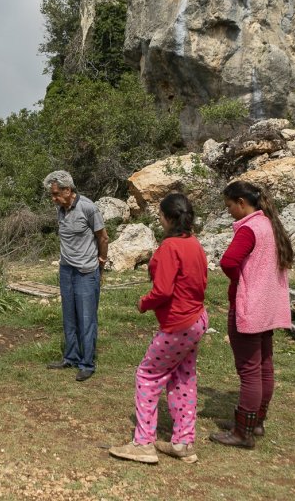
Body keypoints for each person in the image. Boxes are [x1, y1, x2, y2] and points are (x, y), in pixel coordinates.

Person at [109, 193, 209, 465]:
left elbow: (163, 290)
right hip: (197, 319)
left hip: (179, 324)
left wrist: (144, 303)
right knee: (183, 377)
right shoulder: (194, 243)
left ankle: (143, 443)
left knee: (148, 375)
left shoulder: (169, 247)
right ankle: (183, 442)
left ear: (166, 217)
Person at [210, 180, 293, 449]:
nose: (229, 211)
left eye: (229, 206)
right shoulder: (270, 225)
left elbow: (228, 262)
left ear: (241, 203)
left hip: (250, 307)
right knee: (264, 366)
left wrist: (241, 281)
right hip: (268, 307)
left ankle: (242, 433)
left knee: (249, 371)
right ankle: (256, 422)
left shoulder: (248, 229)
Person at [43, 170, 108, 381]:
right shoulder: (60, 209)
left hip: (86, 272)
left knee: (87, 319)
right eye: (52, 195)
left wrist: (101, 263)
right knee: (69, 317)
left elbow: (103, 237)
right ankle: (71, 357)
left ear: (68, 190)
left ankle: (87, 363)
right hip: (66, 270)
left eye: (56, 194)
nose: (53, 199)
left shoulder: (88, 208)